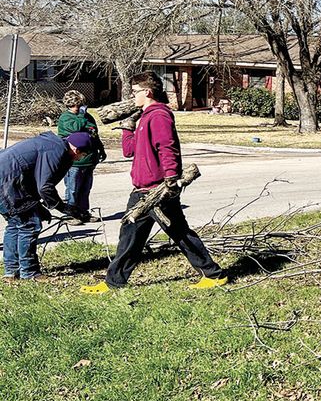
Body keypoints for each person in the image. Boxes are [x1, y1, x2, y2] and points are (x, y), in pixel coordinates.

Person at [81, 72, 227, 294]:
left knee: (179, 233)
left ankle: (214, 274)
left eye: (135, 92)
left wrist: (170, 181)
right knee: (131, 236)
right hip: (141, 190)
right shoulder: (145, 116)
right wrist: (128, 126)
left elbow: (167, 147)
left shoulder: (159, 116)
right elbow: (129, 150)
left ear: (147, 92)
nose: (132, 96)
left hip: (157, 191)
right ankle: (115, 281)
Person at [0, 132, 91, 280]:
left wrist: (39, 207)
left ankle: (11, 271)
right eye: (83, 155)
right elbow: (44, 186)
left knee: (15, 223)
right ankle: (30, 273)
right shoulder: (56, 151)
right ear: (77, 150)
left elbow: (34, 178)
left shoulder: (52, 144)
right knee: (29, 225)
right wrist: (63, 208)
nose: (81, 158)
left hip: (8, 179)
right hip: (7, 183)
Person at [57, 89, 106, 222]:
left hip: (89, 159)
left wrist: (101, 149)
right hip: (73, 162)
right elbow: (76, 128)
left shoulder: (88, 117)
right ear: (68, 105)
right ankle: (71, 214)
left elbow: (94, 134)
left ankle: (84, 213)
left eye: (79, 105)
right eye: (74, 105)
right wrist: (82, 116)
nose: (77, 108)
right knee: (72, 189)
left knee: (85, 189)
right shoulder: (65, 118)